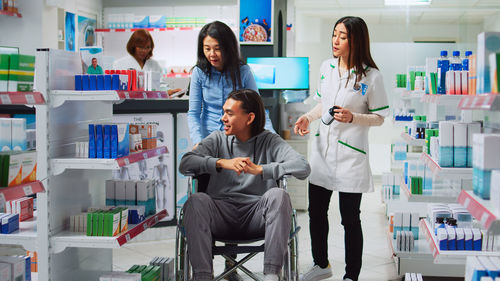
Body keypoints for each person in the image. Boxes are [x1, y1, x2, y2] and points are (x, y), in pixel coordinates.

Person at [179, 89, 311, 281]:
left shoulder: (270, 141)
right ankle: (202, 277)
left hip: (257, 216)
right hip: (220, 215)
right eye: (223, 112)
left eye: (230, 113)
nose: (223, 118)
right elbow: (185, 163)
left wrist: (261, 170)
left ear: (249, 118)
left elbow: (303, 167)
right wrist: (221, 163)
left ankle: (271, 275)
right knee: (196, 200)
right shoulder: (217, 139)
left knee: (278, 195)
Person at [294, 16, 389, 281]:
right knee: (316, 212)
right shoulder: (326, 67)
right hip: (323, 152)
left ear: (356, 40)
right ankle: (321, 265)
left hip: (351, 156)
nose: (335, 41)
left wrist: (354, 117)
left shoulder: (372, 76)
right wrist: (307, 118)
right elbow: (322, 104)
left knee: (350, 219)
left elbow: (380, 117)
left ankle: (351, 276)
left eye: (343, 36)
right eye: (335, 34)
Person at [187, 21, 275, 146]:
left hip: (238, 139)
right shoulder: (199, 72)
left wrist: (273, 137)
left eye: (217, 49)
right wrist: (198, 142)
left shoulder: (243, 71)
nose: (212, 54)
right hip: (208, 139)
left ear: (228, 48)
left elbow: (259, 110)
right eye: (207, 49)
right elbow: (193, 113)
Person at [113, 29, 181, 96]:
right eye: (140, 47)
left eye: (147, 47)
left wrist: (170, 91)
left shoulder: (154, 65)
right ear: (133, 46)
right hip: (127, 104)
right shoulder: (119, 64)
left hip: (150, 104)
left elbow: (160, 85)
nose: (144, 51)